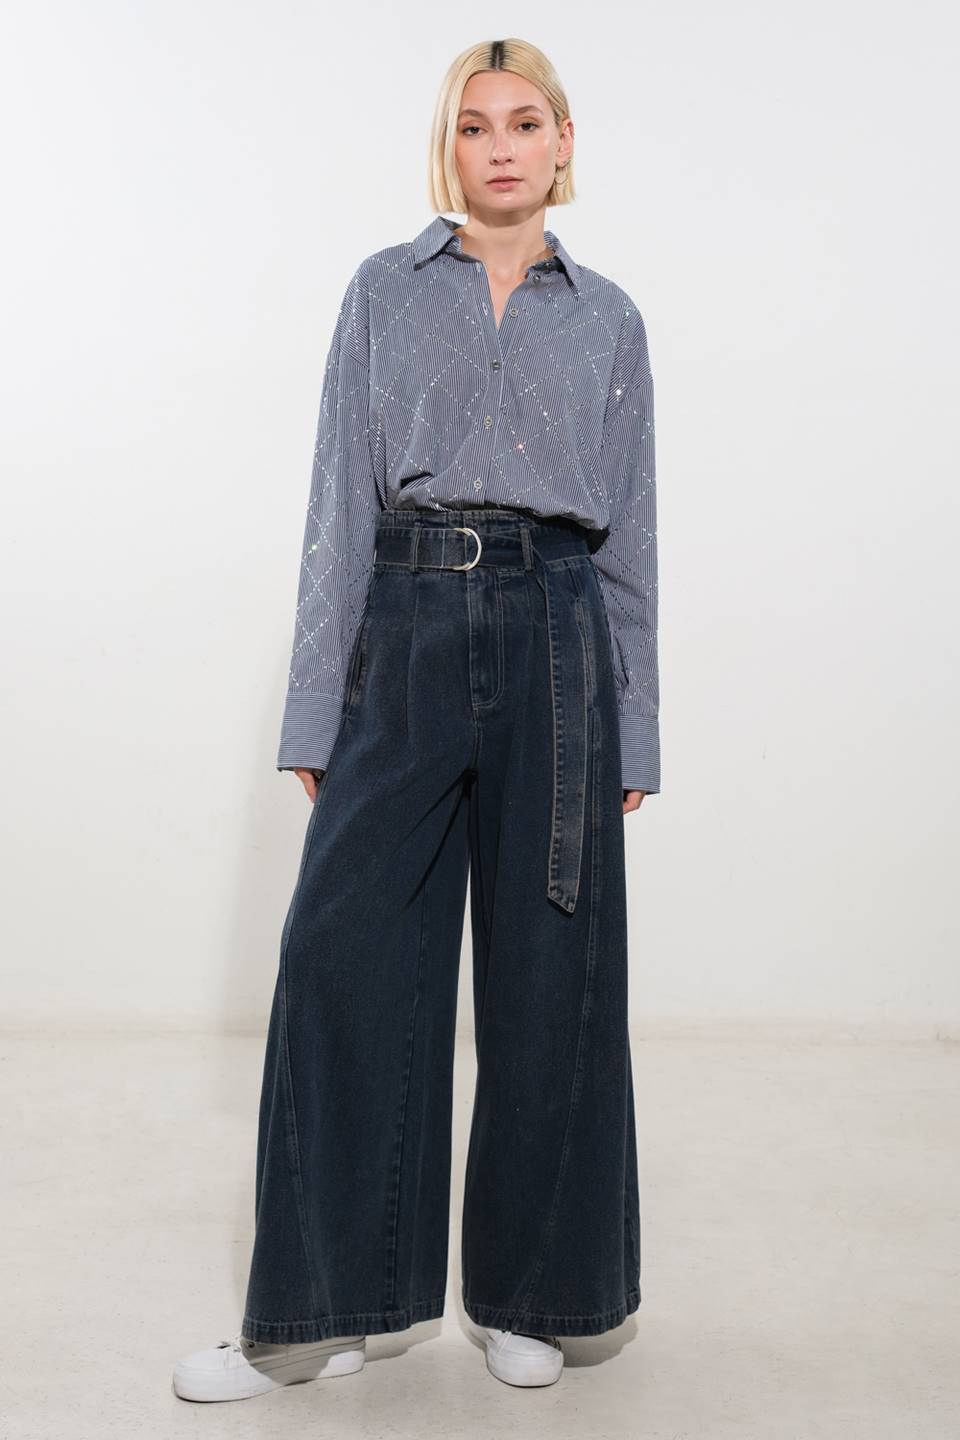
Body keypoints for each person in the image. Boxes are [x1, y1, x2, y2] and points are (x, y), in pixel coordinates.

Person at [173, 34, 658, 1402]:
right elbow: (337, 501)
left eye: (525, 122)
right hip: (407, 626)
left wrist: (637, 724)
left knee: (552, 973)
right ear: (448, 148)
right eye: (473, 125)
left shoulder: (610, 320)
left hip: (560, 633)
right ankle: (325, 1307)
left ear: (564, 142)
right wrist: (315, 712)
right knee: (341, 960)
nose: (500, 147)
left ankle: (535, 1295)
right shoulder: (382, 292)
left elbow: (632, 537)